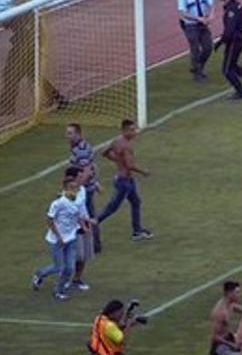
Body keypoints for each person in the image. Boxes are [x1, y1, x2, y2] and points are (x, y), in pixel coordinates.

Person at [1, 0, 68, 117]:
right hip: (31, 47)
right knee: (34, 76)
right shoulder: (27, 7)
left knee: (10, 75)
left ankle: (7, 106)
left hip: (23, 48)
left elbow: (6, 24)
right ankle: (58, 98)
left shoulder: (24, 9)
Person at [31, 175, 88, 300]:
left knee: (69, 268)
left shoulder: (76, 201)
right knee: (58, 267)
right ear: (65, 189)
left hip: (71, 238)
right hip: (57, 240)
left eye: (76, 188)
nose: (75, 190)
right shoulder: (58, 203)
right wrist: (59, 237)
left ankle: (59, 291)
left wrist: (83, 226)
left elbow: (78, 215)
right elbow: (50, 220)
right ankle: (39, 274)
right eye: (72, 188)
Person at [96, 119, 153, 241]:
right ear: (125, 130)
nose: (135, 132)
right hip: (124, 181)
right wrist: (144, 172)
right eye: (132, 130)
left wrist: (117, 160)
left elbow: (104, 152)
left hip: (127, 179)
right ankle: (93, 223)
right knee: (112, 207)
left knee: (136, 202)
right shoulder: (126, 146)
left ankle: (137, 231)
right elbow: (129, 165)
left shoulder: (117, 141)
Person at [66, 123, 101, 266]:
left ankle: (94, 245)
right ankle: (95, 244)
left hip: (85, 189)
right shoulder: (80, 147)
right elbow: (92, 167)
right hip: (87, 187)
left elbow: (86, 171)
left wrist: (76, 188)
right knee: (88, 215)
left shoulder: (81, 150)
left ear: (78, 134)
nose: (67, 136)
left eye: (70, 133)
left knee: (87, 216)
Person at [177, 0, 214, 82]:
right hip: (190, 25)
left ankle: (198, 66)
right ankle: (197, 73)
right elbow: (183, 13)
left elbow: (210, 3)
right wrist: (198, 18)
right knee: (195, 49)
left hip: (202, 24)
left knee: (208, 47)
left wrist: (211, 14)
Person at [208, 280, 242, 355]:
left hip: (229, 338)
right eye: (237, 292)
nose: (239, 295)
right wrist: (231, 345)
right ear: (229, 293)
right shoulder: (220, 312)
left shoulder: (231, 305)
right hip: (221, 346)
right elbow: (214, 336)